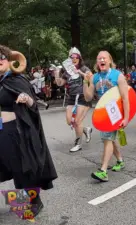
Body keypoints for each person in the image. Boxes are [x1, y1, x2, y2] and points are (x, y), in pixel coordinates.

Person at [0, 45, 57, 214]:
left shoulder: (17, 80)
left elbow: (33, 105)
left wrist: (27, 99)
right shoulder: (1, 83)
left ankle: (35, 201)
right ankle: (21, 201)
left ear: (10, 61)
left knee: (21, 167)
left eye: (2, 57)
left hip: (15, 131)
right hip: (2, 131)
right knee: (10, 165)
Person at [83, 51, 129, 182]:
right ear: (97, 62)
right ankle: (120, 161)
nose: (101, 60)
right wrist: (85, 82)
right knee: (109, 138)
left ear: (110, 60)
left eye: (104, 58)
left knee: (107, 139)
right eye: (99, 58)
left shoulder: (118, 76)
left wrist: (126, 118)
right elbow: (88, 97)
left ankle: (103, 171)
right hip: (103, 112)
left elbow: (126, 98)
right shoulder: (95, 77)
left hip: (115, 112)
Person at [54, 47, 93, 152]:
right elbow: (60, 83)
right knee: (69, 121)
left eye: (76, 57)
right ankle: (86, 129)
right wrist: (56, 73)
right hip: (71, 97)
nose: (74, 59)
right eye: (71, 57)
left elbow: (90, 77)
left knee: (77, 121)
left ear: (79, 58)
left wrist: (79, 72)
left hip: (82, 96)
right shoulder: (67, 71)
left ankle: (78, 143)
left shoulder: (84, 68)